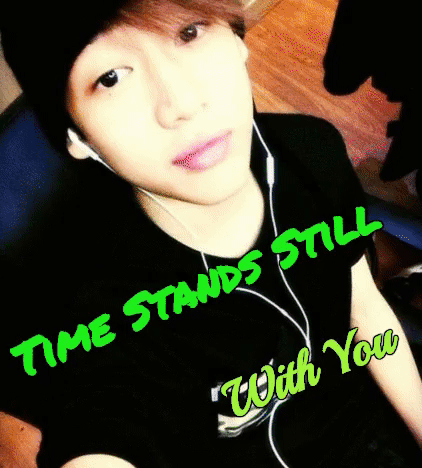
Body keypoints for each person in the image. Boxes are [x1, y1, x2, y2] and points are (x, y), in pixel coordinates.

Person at [1, 0, 422, 467]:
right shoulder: (97, 315)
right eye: (112, 78)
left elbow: (362, 303)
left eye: (190, 33)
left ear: (236, 38)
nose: (181, 104)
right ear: (77, 136)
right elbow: (103, 424)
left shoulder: (313, 152)